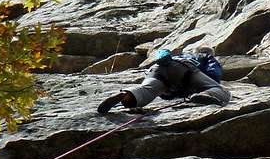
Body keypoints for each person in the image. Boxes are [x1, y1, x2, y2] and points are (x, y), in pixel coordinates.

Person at [97, 46, 230, 114]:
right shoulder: (205, 55)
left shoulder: (179, 55)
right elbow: (214, 73)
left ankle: (125, 95)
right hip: (185, 70)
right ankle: (205, 96)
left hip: (156, 70)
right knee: (221, 91)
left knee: (145, 91)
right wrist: (206, 86)